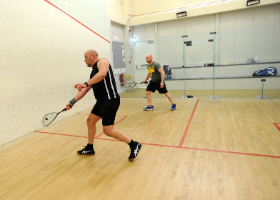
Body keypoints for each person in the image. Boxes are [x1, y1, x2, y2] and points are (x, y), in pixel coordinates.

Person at [65, 49, 141, 161]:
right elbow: (85, 89)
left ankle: (134, 144)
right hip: (101, 101)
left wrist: (86, 83)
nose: (84, 60)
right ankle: (90, 148)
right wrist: (72, 102)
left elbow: (102, 74)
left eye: (86, 57)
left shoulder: (102, 62)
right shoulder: (93, 73)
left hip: (110, 99)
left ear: (93, 56)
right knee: (90, 121)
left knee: (108, 130)